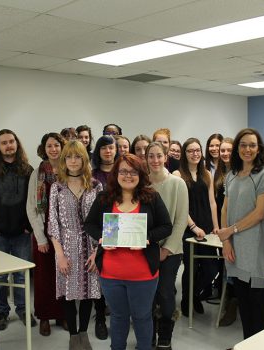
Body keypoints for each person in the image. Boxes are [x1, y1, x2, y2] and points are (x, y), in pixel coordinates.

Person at [84, 154, 172, 350]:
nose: (128, 175)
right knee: (118, 317)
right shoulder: (104, 198)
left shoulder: (151, 197)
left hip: (143, 274)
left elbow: (166, 226)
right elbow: (89, 224)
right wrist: (102, 238)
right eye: (123, 171)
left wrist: (146, 238)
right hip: (110, 273)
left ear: (141, 174)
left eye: (133, 172)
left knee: (142, 317)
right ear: (116, 174)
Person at [217, 128, 264, 340]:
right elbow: (225, 209)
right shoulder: (231, 175)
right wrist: (226, 242)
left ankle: (257, 344)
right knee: (243, 305)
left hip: (255, 249)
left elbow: (259, 214)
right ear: (237, 149)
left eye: (252, 145)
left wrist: (229, 231)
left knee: (256, 308)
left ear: (259, 148)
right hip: (234, 249)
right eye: (243, 145)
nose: (247, 149)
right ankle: (247, 344)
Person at [48, 140, 103, 350]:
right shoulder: (57, 187)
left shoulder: (96, 185)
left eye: (77, 156)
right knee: (69, 294)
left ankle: (83, 334)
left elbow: (104, 220)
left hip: (92, 246)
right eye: (69, 156)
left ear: (84, 159)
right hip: (65, 246)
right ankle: (73, 337)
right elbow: (53, 222)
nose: (73, 161)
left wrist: (97, 252)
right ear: (64, 160)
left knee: (89, 292)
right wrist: (59, 254)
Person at [0, 129, 36, 330]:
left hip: (22, 234)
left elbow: (34, 202)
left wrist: (28, 227)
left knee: (21, 275)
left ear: (17, 144)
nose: (8, 145)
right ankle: (1, 311)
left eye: (11, 141)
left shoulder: (28, 170)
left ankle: (23, 309)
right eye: (4, 143)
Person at [146, 142, 189, 350]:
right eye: (151, 156)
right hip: (145, 249)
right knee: (148, 294)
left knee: (164, 292)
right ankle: (149, 333)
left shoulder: (177, 183)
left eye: (159, 156)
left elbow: (181, 220)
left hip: (171, 251)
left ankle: (165, 334)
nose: (155, 160)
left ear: (166, 157)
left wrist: (167, 248)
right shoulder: (142, 184)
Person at [26, 132, 67, 336]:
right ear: (44, 148)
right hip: (43, 233)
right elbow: (31, 207)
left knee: (64, 275)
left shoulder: (71, 170)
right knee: (43, 279)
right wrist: (41, 237)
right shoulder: (37, 173)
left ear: (62, 147)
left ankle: (62, 315)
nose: (53, 149)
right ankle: (44, 317)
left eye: (57, 145)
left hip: (66, 233)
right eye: (49, 146)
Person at [173, 138, 219, 317]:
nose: (195, 154)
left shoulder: (207, 173)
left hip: (207, 228)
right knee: (191, 269)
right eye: (191, 151)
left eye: (198, 150)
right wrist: (193, 227)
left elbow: (212, 202)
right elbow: (179, 206)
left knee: (211, 269)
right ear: (185, 154)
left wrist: (215, 227)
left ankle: (194, 296)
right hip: (188, 228)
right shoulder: (177, 175)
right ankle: (187, 300)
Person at [91, 134, 119, 340]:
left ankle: (119, 316)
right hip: (100, 230)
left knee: (118, 275)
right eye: (104, 148)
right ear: (98, 151)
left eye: (111, 148)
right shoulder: (92, 175)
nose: (108, 151)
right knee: (100, 276)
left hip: (122, 228)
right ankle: (100, 316)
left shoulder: (123, 172)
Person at [213, 137, 238, 327]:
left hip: (239, 225)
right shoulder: (219, 173)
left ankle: (234, 304)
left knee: (236, 266)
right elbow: (217, 203)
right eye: (222, 150)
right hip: (224, 224)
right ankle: (229, 300)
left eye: (229, 150)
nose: (225, 153)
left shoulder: (240, 171)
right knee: (227, 265)